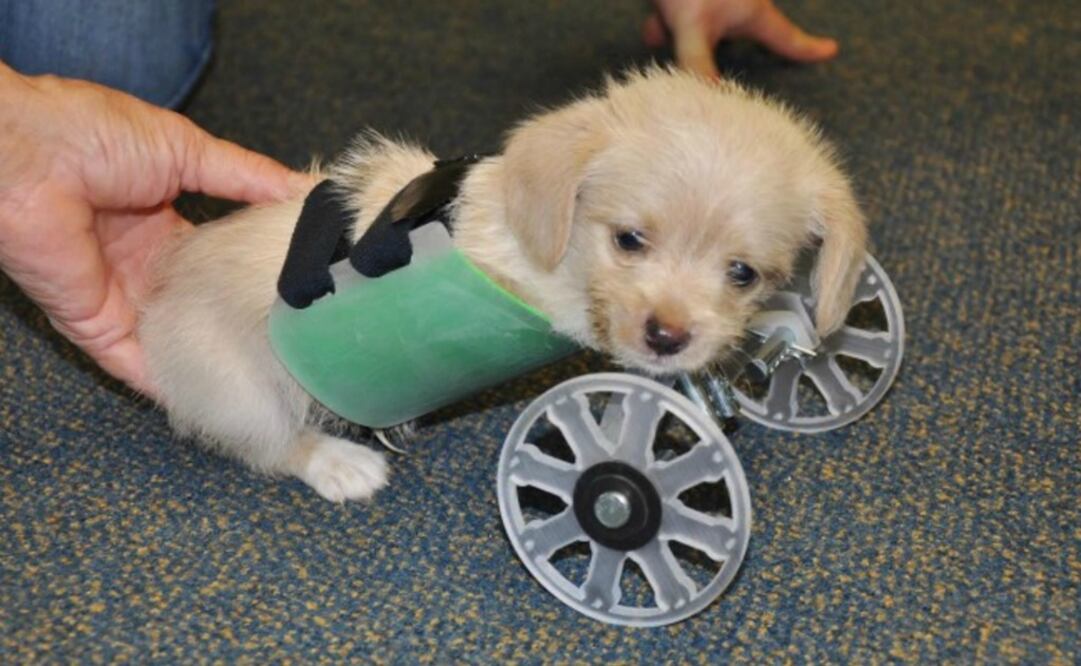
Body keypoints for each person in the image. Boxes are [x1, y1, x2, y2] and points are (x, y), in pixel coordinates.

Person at [0, 0, 838, 395]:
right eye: (629, 241)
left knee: (113, 57)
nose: (672, 319)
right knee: (112, 64)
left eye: (740, 274)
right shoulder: (545, 184)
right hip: (256, 338)